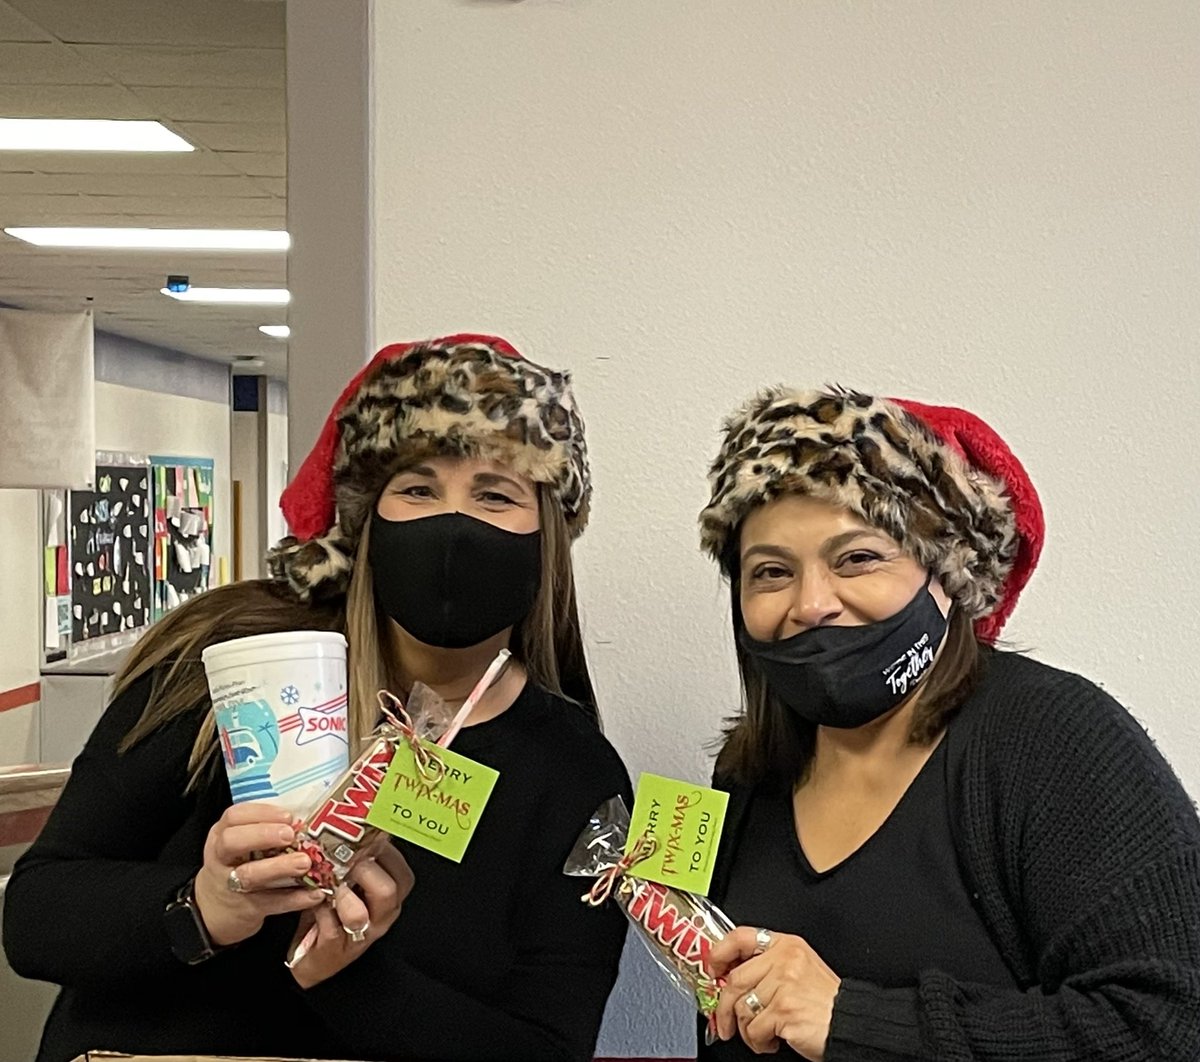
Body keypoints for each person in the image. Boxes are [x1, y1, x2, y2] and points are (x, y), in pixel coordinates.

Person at [5, 334, 631, 1062]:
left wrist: (351, 974)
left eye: (496, 494)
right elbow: (36, 915)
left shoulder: (575, 774)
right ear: (364, 520)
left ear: (548, 533)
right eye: (418, 488)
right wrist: (205, 907)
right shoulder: (228, 667)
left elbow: (549, 1047)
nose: (453, 527)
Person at [693, 386, 1200, 1062]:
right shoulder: (747, 777)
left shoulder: (1053, 738)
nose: (811, 603)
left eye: (858, 558)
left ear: (947, 577)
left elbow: (1172, 1024)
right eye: (771, 572)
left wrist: (857, 1019)